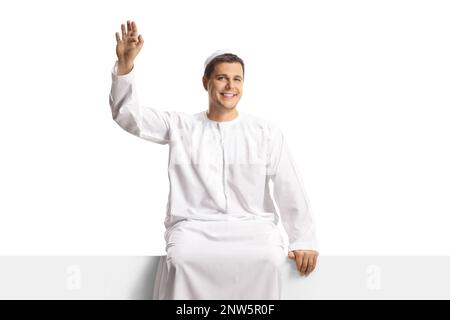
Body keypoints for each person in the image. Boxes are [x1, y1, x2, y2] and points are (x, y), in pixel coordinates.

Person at [109, 20, 319, 300]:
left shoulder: (265, 131)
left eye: (237, 79)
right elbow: (128, 116)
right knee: (182, 260)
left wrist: (303, 240)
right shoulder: (181, 126)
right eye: (222, 78)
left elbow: (288, 185)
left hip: (253, 228)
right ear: (206, 82)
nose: (230, 85)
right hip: (193, 227)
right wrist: (125, 66)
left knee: (269, 257)